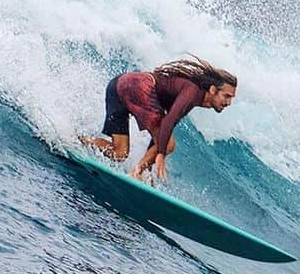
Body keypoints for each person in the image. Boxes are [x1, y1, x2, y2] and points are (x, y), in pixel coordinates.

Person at [80, 56, 237, 182]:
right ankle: (136, 173)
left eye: (231, 98)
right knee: (169, 144)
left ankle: (79, 140)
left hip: (118, 85)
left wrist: (150, 165)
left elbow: (164, 127)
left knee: (119, 152)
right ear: (212, 90)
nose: (229, 103)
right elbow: (168, 123)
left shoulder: (191, 95)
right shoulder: (192, 92)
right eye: (226, 96)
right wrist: (161, 153)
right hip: (137, 86)